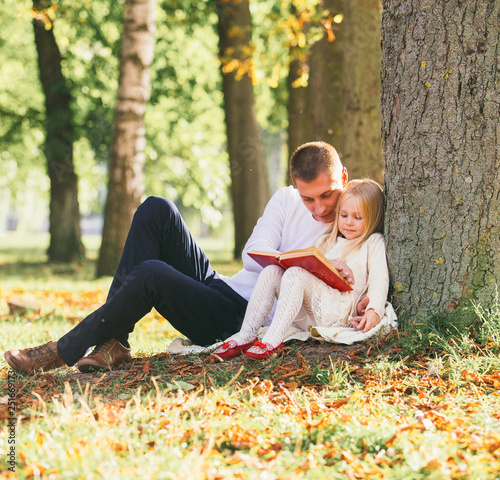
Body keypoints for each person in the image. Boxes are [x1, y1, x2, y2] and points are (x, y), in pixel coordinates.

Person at [4, 141, 366, 375]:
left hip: (242, 318)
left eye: (327, 195)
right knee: (156, 209)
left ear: (344, 178)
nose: (319, 208)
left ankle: (61, 350)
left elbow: (359, 277)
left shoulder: (357, 220)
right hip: (223, 288)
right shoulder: (286, 199)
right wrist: (296, 258)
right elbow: (253, 254)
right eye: (309, 199)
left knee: (152, 274)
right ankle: (114, 342)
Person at [214, 179, 388, 360]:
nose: (349, 223)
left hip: (340, 313)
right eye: (344, 215)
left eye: (357, 217)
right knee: (271, 271)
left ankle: (273, 340)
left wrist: (373, 310)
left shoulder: (373, 243)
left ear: (373, 217)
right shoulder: (325, 240)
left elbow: (379, 279)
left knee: (296, 274)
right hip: (309, 313)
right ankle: (247, 334)